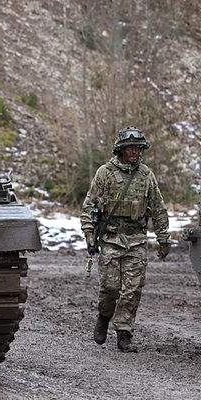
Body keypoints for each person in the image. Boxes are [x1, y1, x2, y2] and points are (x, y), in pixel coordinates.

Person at [80, 127, 170, 353]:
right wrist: (89, 234)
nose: (134, 153)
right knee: (111, 287)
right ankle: (104, 316)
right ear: (120, 149)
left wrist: (163, 237)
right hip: (110, 239)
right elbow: (89, 205)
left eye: (138, 148)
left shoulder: (146, 175)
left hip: (137, 240)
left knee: (132, 289)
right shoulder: (105, 173)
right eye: (130, 148)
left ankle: (124, 334)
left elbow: (158, 208)